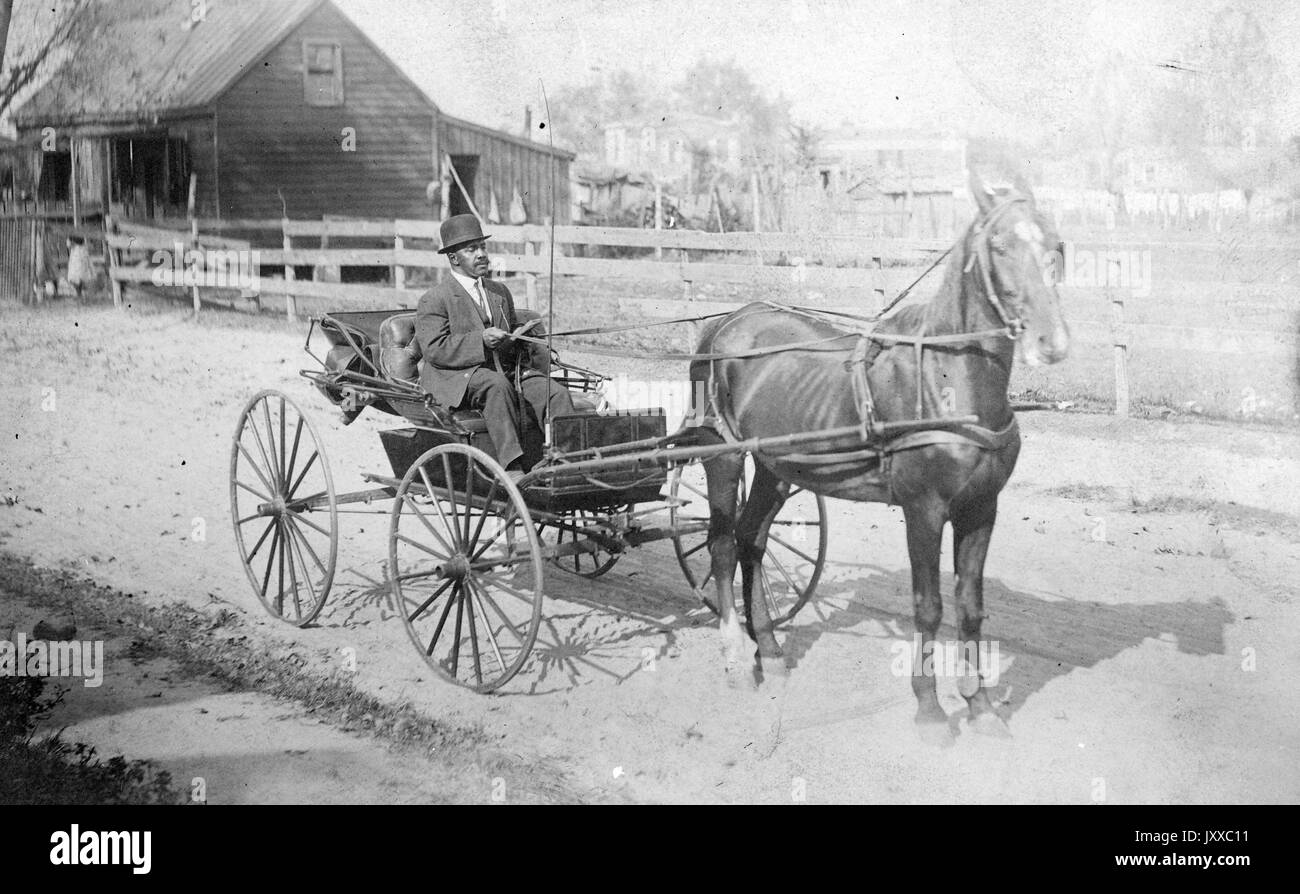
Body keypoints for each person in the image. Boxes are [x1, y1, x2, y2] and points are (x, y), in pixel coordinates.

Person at [414, 214, 574, 479]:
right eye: (471, 249)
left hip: (506, 371)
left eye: (483, 247)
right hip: (458, 378)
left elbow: (508, 336)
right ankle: (512, 467)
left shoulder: (499, 292)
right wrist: (480, 340)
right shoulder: (435, 299)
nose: (481, 254)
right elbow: (435, 349)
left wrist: (520, 339)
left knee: (554, 392)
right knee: (495, 386)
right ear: (454, 258)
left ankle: (563, 460)